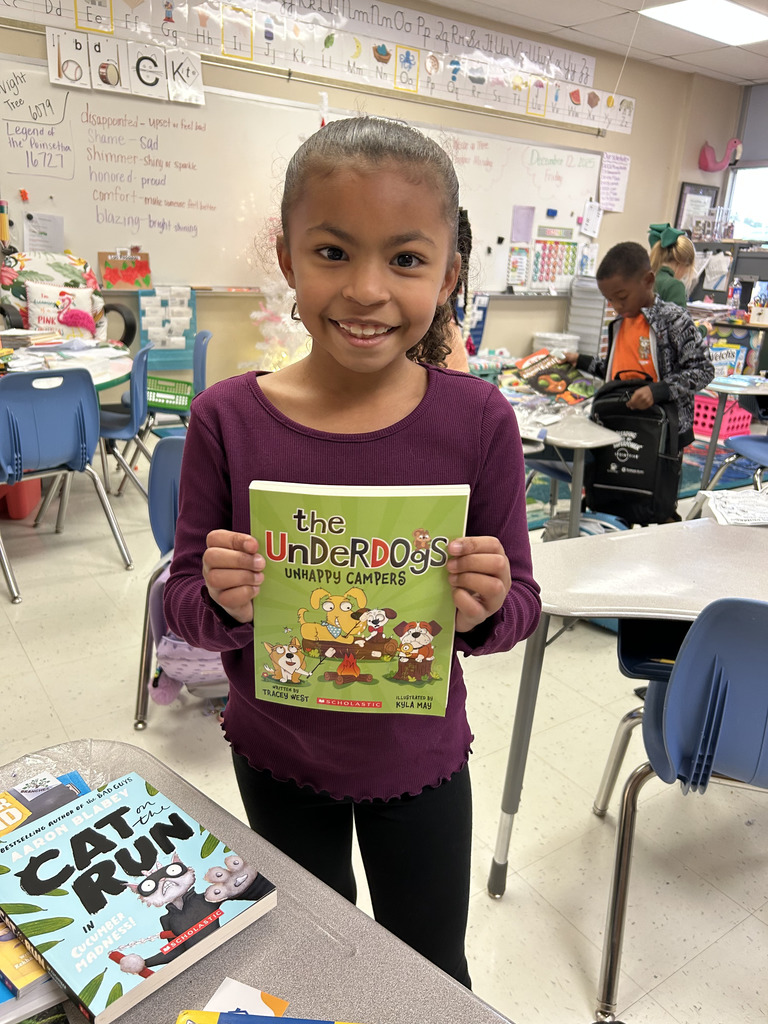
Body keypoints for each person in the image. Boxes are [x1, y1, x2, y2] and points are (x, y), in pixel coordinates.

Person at [164, 116, 541, 989]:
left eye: (406, 260)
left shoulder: (478, 421)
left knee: (431, 969)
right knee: (311, 960)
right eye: (333, 252)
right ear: (289, 260)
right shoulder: (228, 416)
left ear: (447, 277)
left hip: (419, 764)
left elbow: (519, 601)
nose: (367, 289)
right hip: (275, 751)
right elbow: (177, 601)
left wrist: (487, 604)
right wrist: (220, 600)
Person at [564, 240, 714, 516]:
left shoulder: (673, 320)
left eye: (621, 297)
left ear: (647, 281)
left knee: (655, 502)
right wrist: (581, 361)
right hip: (618, 421)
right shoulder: (620, 324)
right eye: (609, 300)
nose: (615, 306)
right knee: (614, 496)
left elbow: (703, 370)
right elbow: (615, 373)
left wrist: (658, 391)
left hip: (662, 432)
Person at [648, 222, 697, 308]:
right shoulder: (674, 286)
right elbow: (679, 321)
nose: (685, 274)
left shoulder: (644, 279)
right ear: (683, 263)